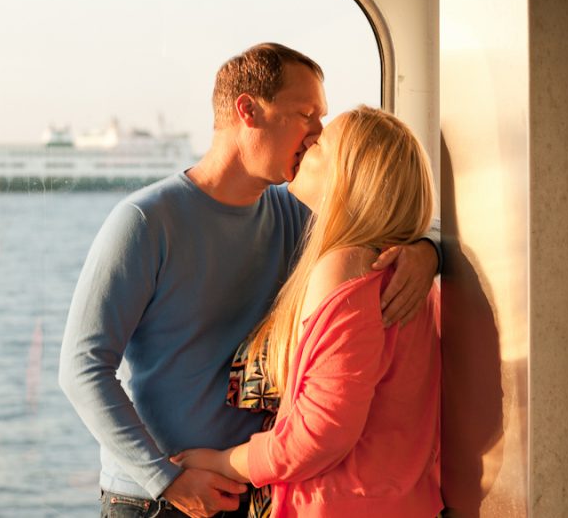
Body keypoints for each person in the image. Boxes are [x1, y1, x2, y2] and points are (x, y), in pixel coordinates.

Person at [58, 43, 440, 518]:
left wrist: (428, 251)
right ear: (249, 110)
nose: (317, 133)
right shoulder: (145, 220)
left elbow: (377, 208)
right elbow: (81, 367)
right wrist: (166, 479)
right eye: (307, 115)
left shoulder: (299, 216)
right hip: (155, 498)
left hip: (252, 489)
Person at [174, 106, 443, 518]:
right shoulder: (408, 276)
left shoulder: (348, 266)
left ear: (346, 178)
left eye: (319, 144)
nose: (305, 143)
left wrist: (221, 462)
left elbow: (319, 435)